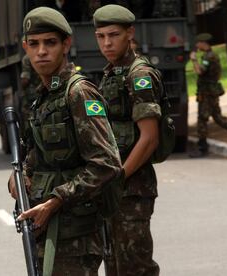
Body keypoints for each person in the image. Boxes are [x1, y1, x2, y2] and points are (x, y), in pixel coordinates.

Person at [8, 7, 122, 275]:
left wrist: (55, 201)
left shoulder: (79, 92)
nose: (41, 51)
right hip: (48, 230)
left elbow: (106, 163)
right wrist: (21, 176)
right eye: (34, 44)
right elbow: (39, 155)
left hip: (75, 235)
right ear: (25, 47)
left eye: (50, 42)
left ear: (66, 44)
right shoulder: (45, 96)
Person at [93, 4, 161, 275]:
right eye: (101, 36)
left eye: (114, 35)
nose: (107, 43)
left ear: (130, 33)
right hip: (113, 189)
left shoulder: (139, 75)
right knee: (114, 267)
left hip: (132, 189)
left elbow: (149, 138)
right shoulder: (112, 72)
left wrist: (118, 178)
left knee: (135, 268)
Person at [189, 33, 227, 158]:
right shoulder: (210, 55)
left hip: (207, 93)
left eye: (198, 42)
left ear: (203, 43)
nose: (196, 45)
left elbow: (200, 71)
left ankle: (202, 147)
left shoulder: (208, 57)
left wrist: (194, 59)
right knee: (218, 118)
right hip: (210, 91)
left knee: (202, 118)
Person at [20, 54, 40, 140]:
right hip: (44, 91)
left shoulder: (28, 58)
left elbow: (25, 79)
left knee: (29, 120)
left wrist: (22, 87)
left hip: (33, 95)